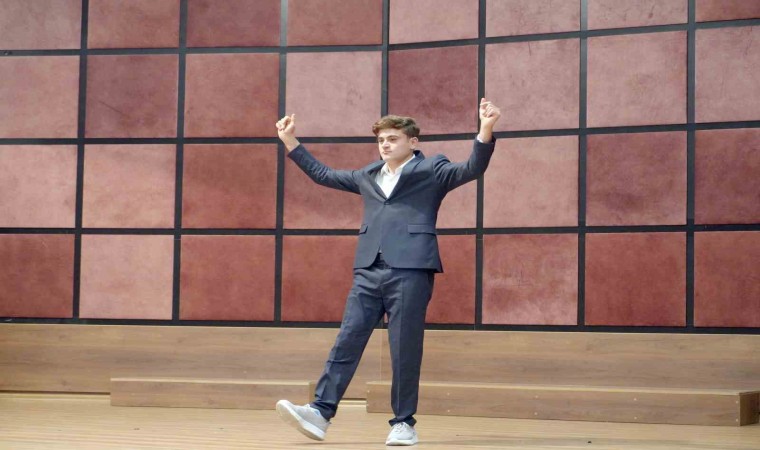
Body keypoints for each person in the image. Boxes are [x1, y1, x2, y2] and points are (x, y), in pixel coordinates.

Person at [275, 98, 501, 446]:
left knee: (404, 348)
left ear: (413, 142)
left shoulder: (432, 169)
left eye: (393, 138)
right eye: (381, 139)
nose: (385, 144)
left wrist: (485, 129)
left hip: (410, 269)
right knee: (347, 340)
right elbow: (324, 175)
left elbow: (472, 167)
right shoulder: (367, 175)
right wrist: (290, 141)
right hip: (368, 269)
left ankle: (404, 423)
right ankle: (320, 412)